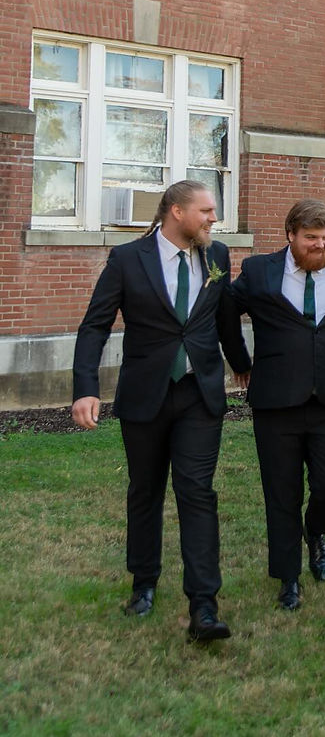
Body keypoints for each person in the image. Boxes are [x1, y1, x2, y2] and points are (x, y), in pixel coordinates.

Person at [72, 180, 251, 642]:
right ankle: (144, 582)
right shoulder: (129, 259)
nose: (214, 218)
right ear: (175, 211)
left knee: (197, 491)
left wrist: (241, 365)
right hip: (145, 395)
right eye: (207, 210)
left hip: (199, 394)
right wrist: (85, 389)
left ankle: (204, 605)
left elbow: (223, 316)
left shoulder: (217, 257)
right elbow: (94, 326)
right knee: (146, 490)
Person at [229, 199, 325, 612]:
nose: (320, 246)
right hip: (276, 402)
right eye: (311, 239)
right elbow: (223, 310)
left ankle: (317, 531)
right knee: (281, 491)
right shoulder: (259, 273)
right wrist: (239, 360)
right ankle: (288, 577)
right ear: (290, 235)